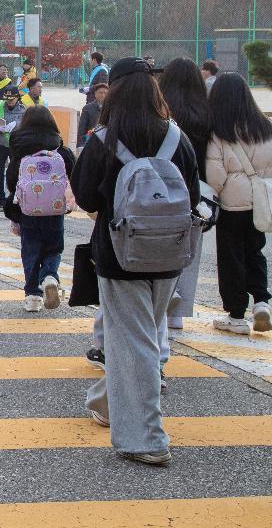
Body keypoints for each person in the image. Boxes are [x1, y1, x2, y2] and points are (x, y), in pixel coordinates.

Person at [71, 57, 200, 467]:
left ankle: (147, 438)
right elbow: (193, 197)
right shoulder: (177, 138)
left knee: (133, 341)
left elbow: (86, 197)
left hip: (119, 255)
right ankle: (106, 404)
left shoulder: (103, 139)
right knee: (142, 335)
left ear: (116, 91)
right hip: (169, 255)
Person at [205, 72, 272, 334]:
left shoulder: (219, 132)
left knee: (232, 257)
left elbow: (216, 176)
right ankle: (262, 302)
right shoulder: (266, 127)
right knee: (255, 251)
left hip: (232, 205)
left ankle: (235, 316)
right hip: (261, 200)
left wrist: (216, 194)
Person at [3, 105, 76, 312]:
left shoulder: (20, 150)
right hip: (55, 211)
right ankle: (50, 276)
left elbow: (11, 182)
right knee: (53, 248)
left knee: (31, 251)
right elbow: (74, 175)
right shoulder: (60, 149)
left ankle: (33, 297)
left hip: (27, 211)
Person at [158, 58, 212, 331]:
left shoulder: (161, 112)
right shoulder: (206, 113)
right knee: (190, 251)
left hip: (161, 189)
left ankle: (166, 294)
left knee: (161, 246)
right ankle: (177, 314)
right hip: (197, 192)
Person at [0, 85, 25, 204]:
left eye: (11, 99)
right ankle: (1, 198)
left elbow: (28, 124)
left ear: (17, 97)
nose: (9, 101)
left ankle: (15, 194)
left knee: (16, 170)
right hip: (0, 143)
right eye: (7, 99)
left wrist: (17, 124)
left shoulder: (24, 110)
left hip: (16, 145)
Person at [77, 83, 107, 149]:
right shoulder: (87, 108)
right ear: (95, 93)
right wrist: (80, 145)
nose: (103, 95)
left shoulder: (111, 109)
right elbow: (81, 129)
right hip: (90, 142)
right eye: (100, 92)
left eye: (105, 93)